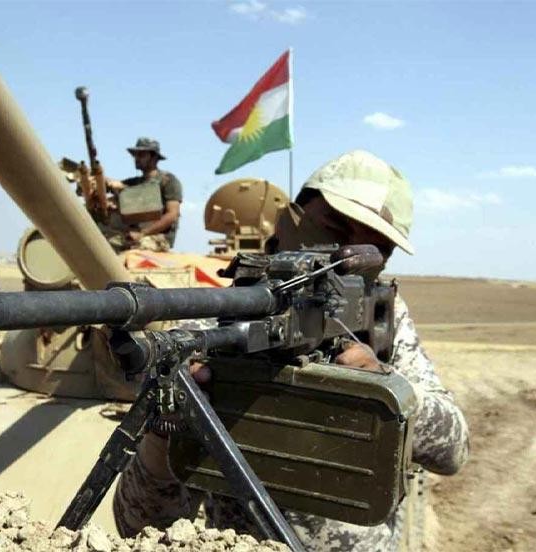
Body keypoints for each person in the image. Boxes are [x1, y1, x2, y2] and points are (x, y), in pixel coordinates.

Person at [112, 150, 470, 551]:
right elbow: (136, 525)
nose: (344, 256)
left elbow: (454, 449)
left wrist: (386, 390)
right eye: (334, 226)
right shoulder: (217, 330)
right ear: (289, 220)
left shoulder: (383, 315)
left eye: (373, 248)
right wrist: (165, 433)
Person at [105, 137, 183, 252]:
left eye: (141, 155)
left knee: (134, 249)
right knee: (102, 241)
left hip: (159, 237)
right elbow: (115, 184)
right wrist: (100, 179)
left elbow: (172, 214)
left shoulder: (168, 181)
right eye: (135, 155)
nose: (136, 158)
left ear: (154, 157)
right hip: (135, 234)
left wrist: (142, 233)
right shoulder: (135, 183)